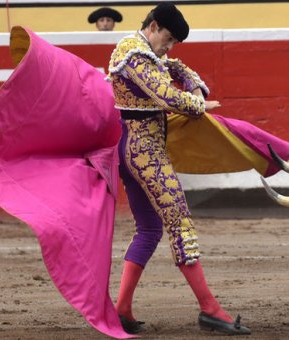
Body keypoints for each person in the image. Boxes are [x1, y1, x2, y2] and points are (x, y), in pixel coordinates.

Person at [107, 2, 251, 336]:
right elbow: (166, 97)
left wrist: (194, 84)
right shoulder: (134, 54)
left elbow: (176, 68)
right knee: (180, 223)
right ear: (154, 25)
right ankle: (210, 310)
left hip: (136, 149)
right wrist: (199, 103)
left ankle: (122, 309)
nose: (168, 47)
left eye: (173, 43)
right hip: (144, 153)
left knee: (150, 230)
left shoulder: (145, 52)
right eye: (168, 38)